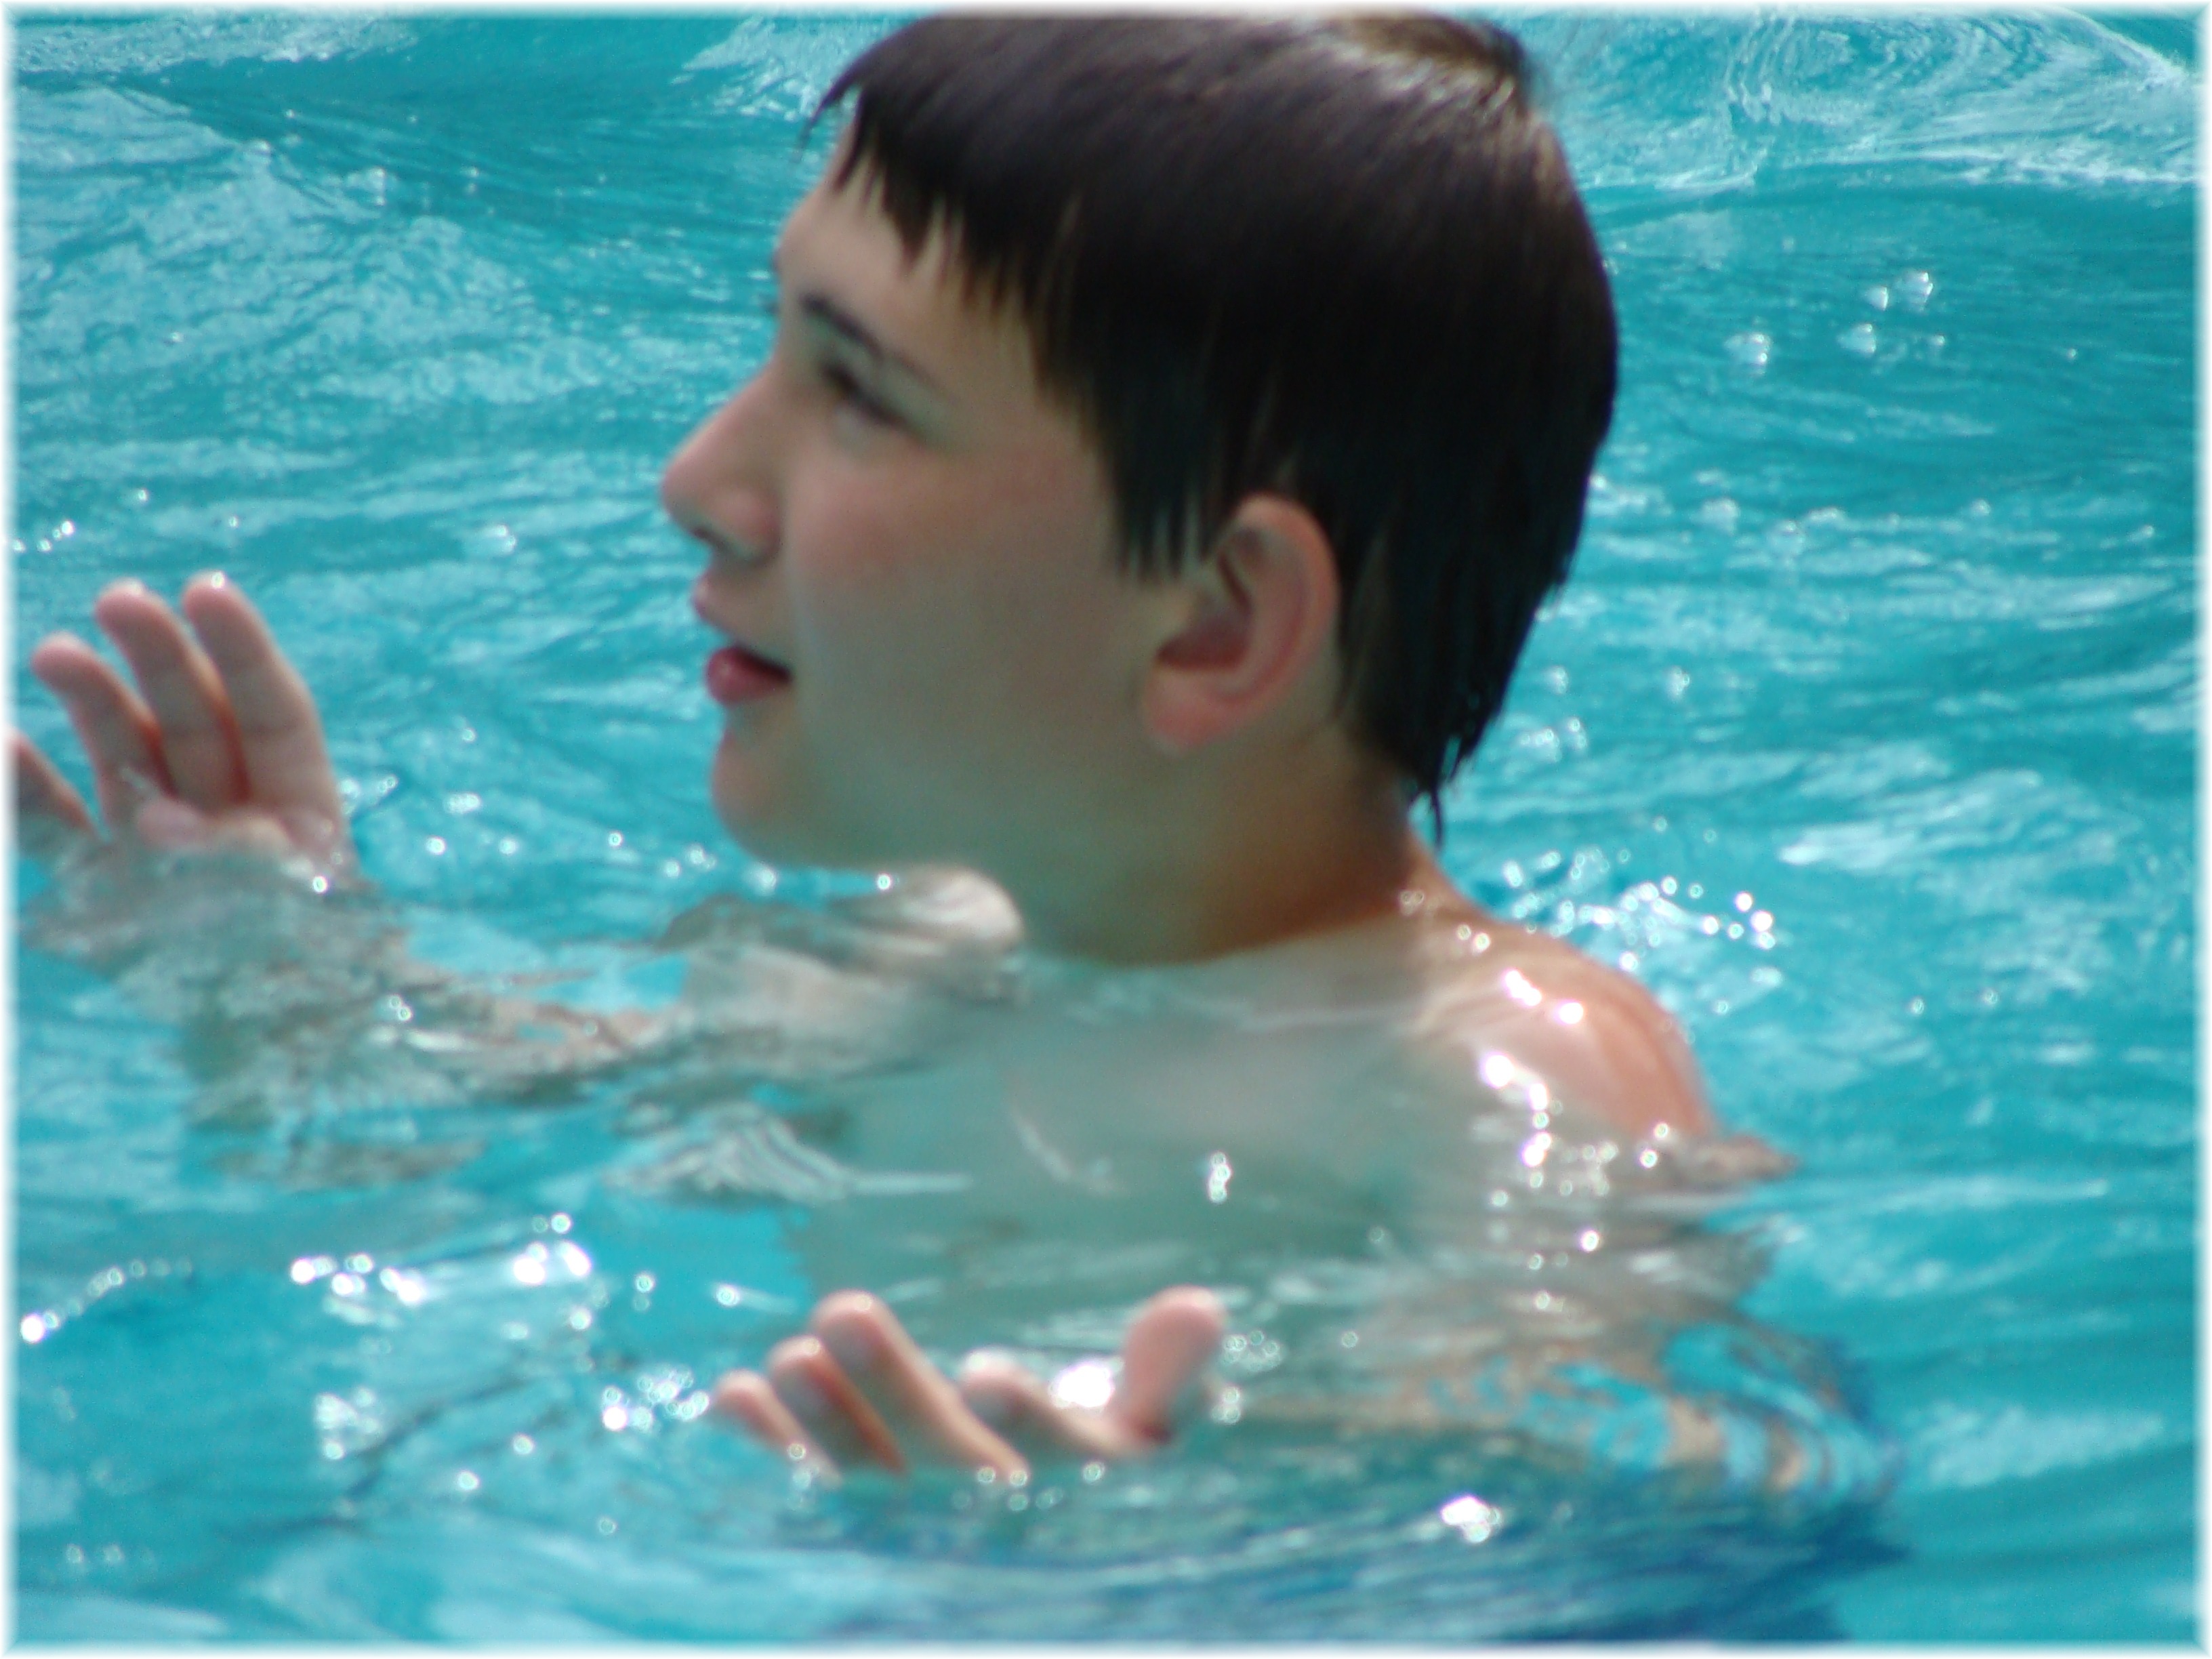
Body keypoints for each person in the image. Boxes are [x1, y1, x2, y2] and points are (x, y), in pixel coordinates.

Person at [16, 14, 1750, 1489]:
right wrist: (270, 961)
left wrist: (1185, 1573)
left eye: (858, 394)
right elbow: (441, 1135)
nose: (697, 480)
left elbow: (1628, 1538)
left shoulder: (1510, 1093)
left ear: (1216, 624)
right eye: (776, 343)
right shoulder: (918, 958)